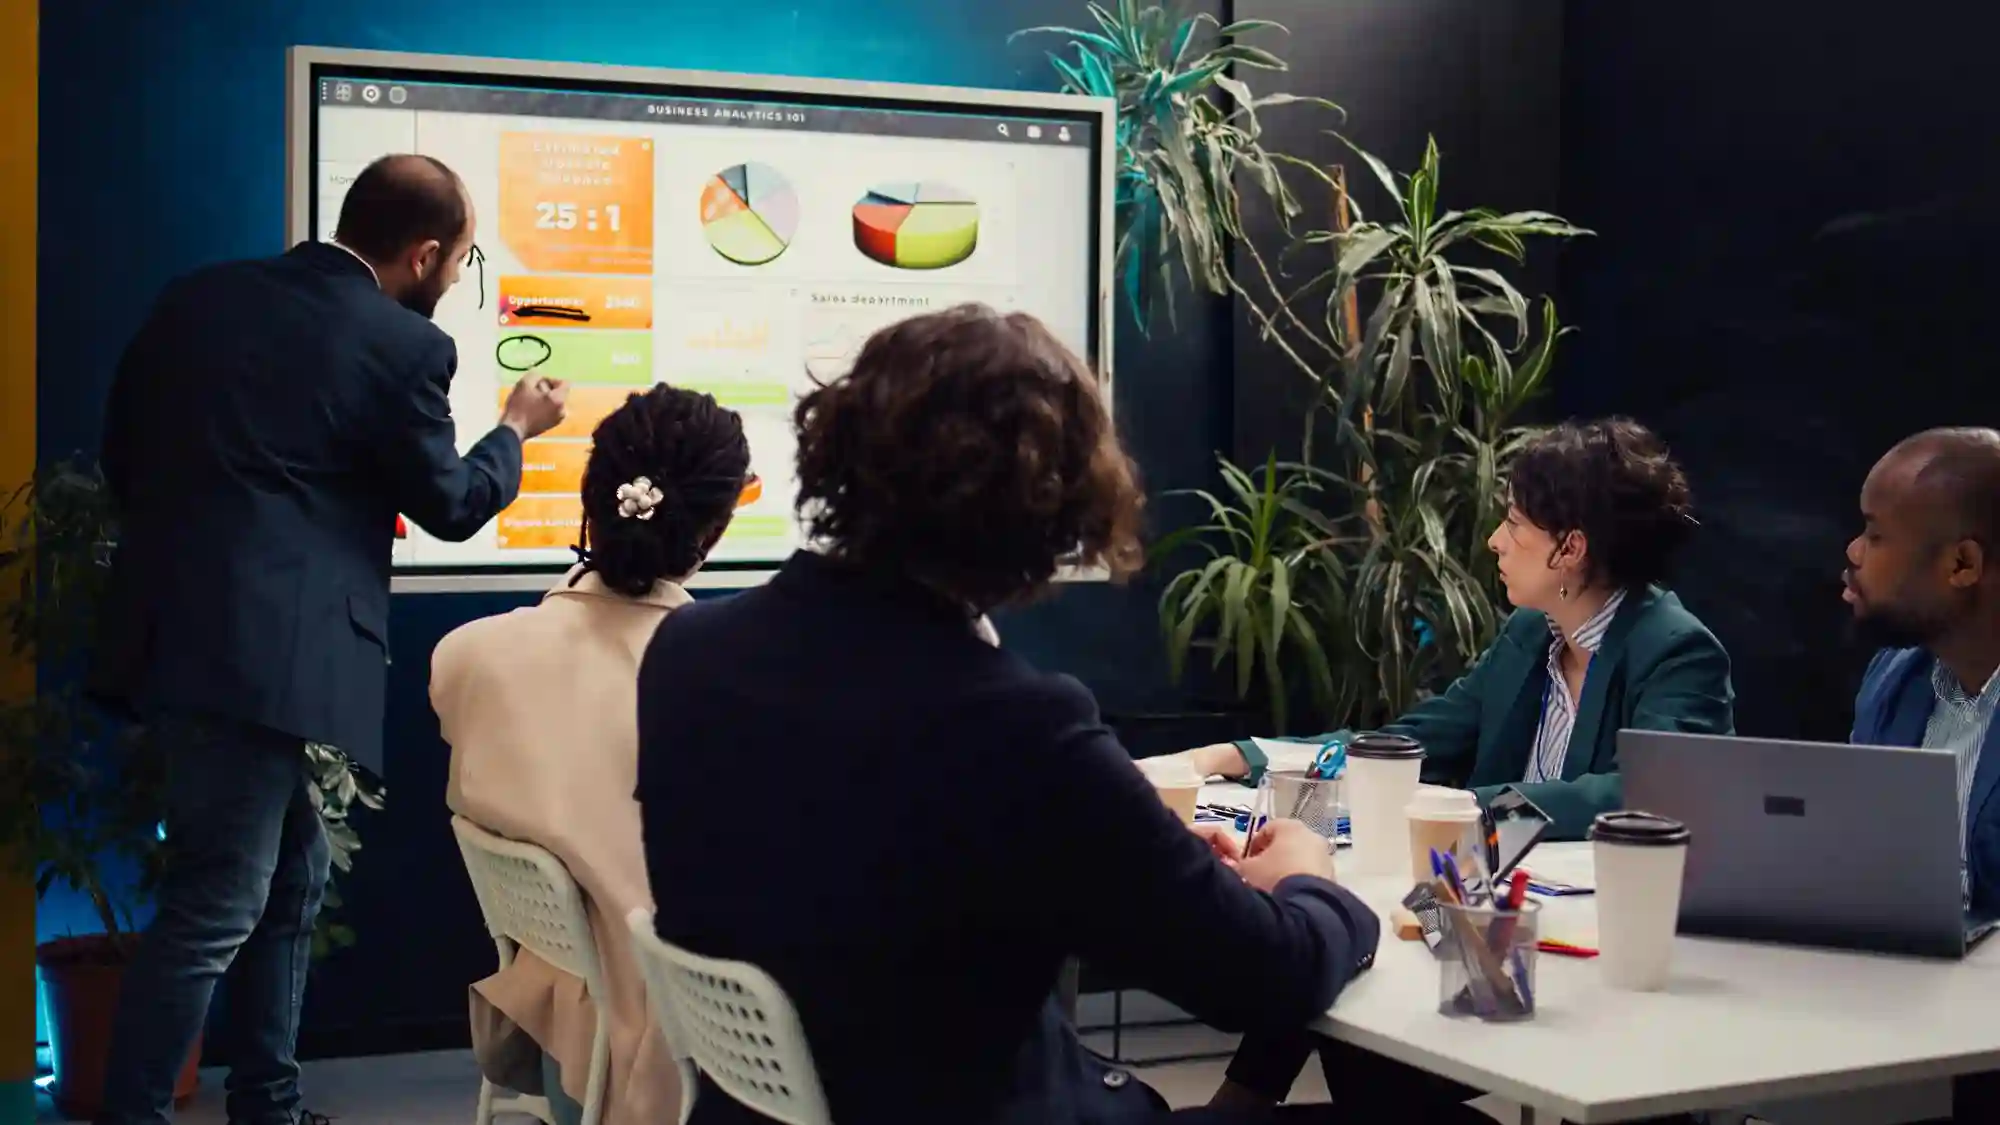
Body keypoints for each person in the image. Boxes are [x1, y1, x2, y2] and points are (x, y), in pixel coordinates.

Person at [634, 304, 1490, 1125]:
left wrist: (1141, 856)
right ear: (1052, 507)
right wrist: (1312, 879)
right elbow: (1267, 978)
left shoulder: (689, 653)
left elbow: (877, 877)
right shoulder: (1017, 726)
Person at [89, 154, 568, 1125]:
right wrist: (516, 429)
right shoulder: (401, 345)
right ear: (423, 254)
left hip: (176, 634)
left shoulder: (198, 298)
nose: (453, 278)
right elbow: (451, 505)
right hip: (260, 659)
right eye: (460, 262)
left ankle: (268, 1099)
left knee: (292, 875)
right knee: (217, 904)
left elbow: (123, 452)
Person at [1204, 417, 1734, 1118]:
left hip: (1595, 942)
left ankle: (1236, 1108)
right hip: (1484, 916)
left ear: (1570, 548)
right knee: (1344, 936)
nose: (1494, 541)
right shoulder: (1532, 633)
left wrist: (1471, 811)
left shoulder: (1675, 650)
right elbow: (1413, 740)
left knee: (1353, 964)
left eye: (1513, 524)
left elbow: (1646, 794)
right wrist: (1244, 756)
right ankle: (1240, 1104)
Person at [434, 384, 751, 1125]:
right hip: (687, 1054)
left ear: (592, 497)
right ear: (714, 529)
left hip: (558, 1029)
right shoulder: (718, 682)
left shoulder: (467, 655)